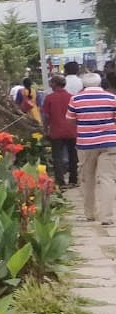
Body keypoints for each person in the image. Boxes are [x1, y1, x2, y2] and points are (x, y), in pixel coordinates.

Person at [72, 71, 116, 224]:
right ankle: (107, 217)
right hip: (110, 143)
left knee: (87, 178)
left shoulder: (76, 99)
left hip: (86, 144)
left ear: (83, 84)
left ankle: (90, 213)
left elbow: (70, 119)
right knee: (108, 179)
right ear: (99, 83)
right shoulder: (111, 98)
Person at [44, 73, 79, 188]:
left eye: (51, 82)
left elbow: (46, 116)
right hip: (72, 131)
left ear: (54, 84)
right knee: (73, 156)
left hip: (56, 132)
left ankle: (60, 181)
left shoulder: (49, 98)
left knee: (57, 157)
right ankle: (73, 180)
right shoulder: (72, 97)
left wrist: (45, 129)